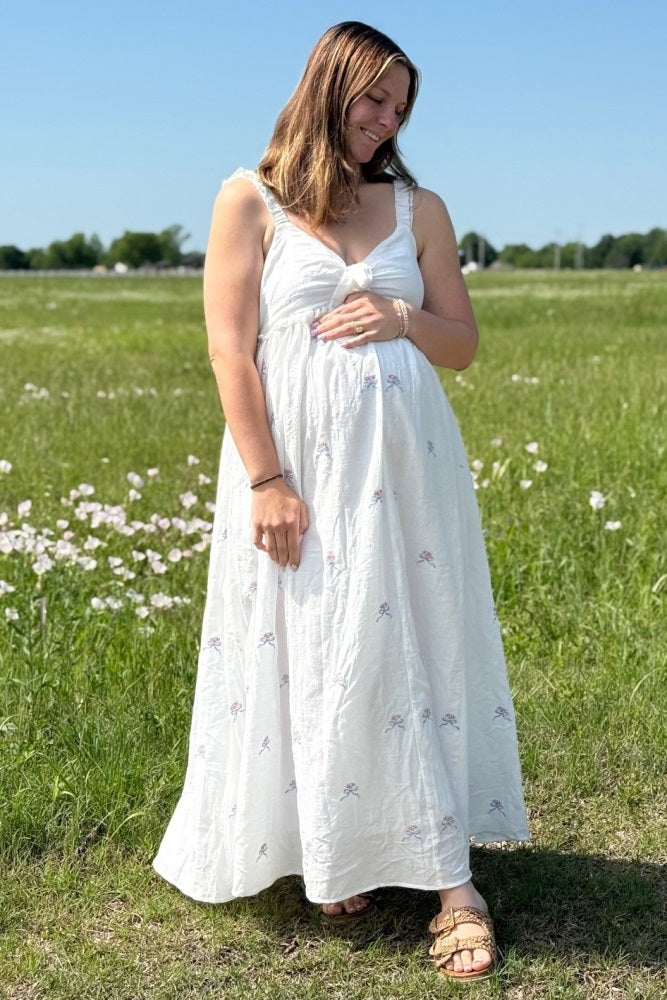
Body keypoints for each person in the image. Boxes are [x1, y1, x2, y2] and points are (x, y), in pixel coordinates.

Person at [153, 20, 529, 982]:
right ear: (330, 84)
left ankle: (454, 887)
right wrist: (266, 481)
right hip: (300, 475)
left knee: (411, 640)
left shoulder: (419, 208)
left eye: (399, 107)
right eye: (373, 98)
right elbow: (230, 351)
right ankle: (338, 844)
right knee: (318, 641)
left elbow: (461, 344)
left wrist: (404, 316)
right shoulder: (250, 201)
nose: (384, 119)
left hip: (409, 472)